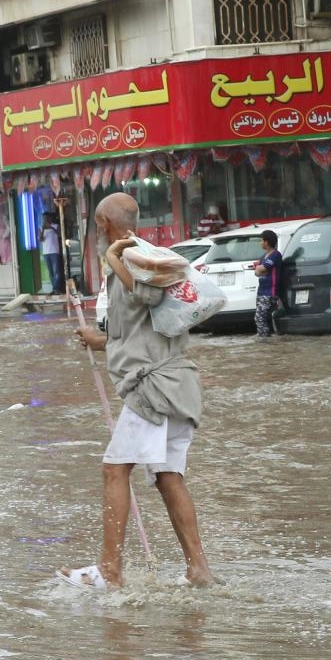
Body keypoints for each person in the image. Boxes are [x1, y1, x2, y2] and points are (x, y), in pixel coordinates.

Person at [60, 192, 215, 590]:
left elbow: (148, 293)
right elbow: (139, 322)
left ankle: (110, 570)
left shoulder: (129, 255)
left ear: (103, 223)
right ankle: (199, 570)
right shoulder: (137, 256)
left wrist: (112, 258)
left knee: (115, 469)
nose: (97, 232)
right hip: (177, 384)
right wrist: (100, 340)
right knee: (168, 477)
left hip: (154, 388)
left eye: (97, 225)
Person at [253, 229, 283, 338]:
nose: (260, 243)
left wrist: (260, 268)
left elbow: (263, 268)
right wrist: (260, 269)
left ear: (267, 242)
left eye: (262, 240)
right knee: (263, 318)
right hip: (261, 292)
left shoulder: (275, 255)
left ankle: (264, 339)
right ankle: (266, 337)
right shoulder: (263, 257)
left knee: (259, 317)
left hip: (270, 292)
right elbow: (258, 272)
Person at [41, 213, 63, 294]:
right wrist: (43, 229)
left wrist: (51, 228)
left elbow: (60, 234)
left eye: (47, 218)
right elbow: (40, 239)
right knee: (51, 272)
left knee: (56, 271)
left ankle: (56, 288)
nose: (45, 219)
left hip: (54, 251)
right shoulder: (41, 227)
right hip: (46, 252)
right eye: (44, 218)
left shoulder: (56, 225)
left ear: (50, 218)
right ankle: (54, 289)